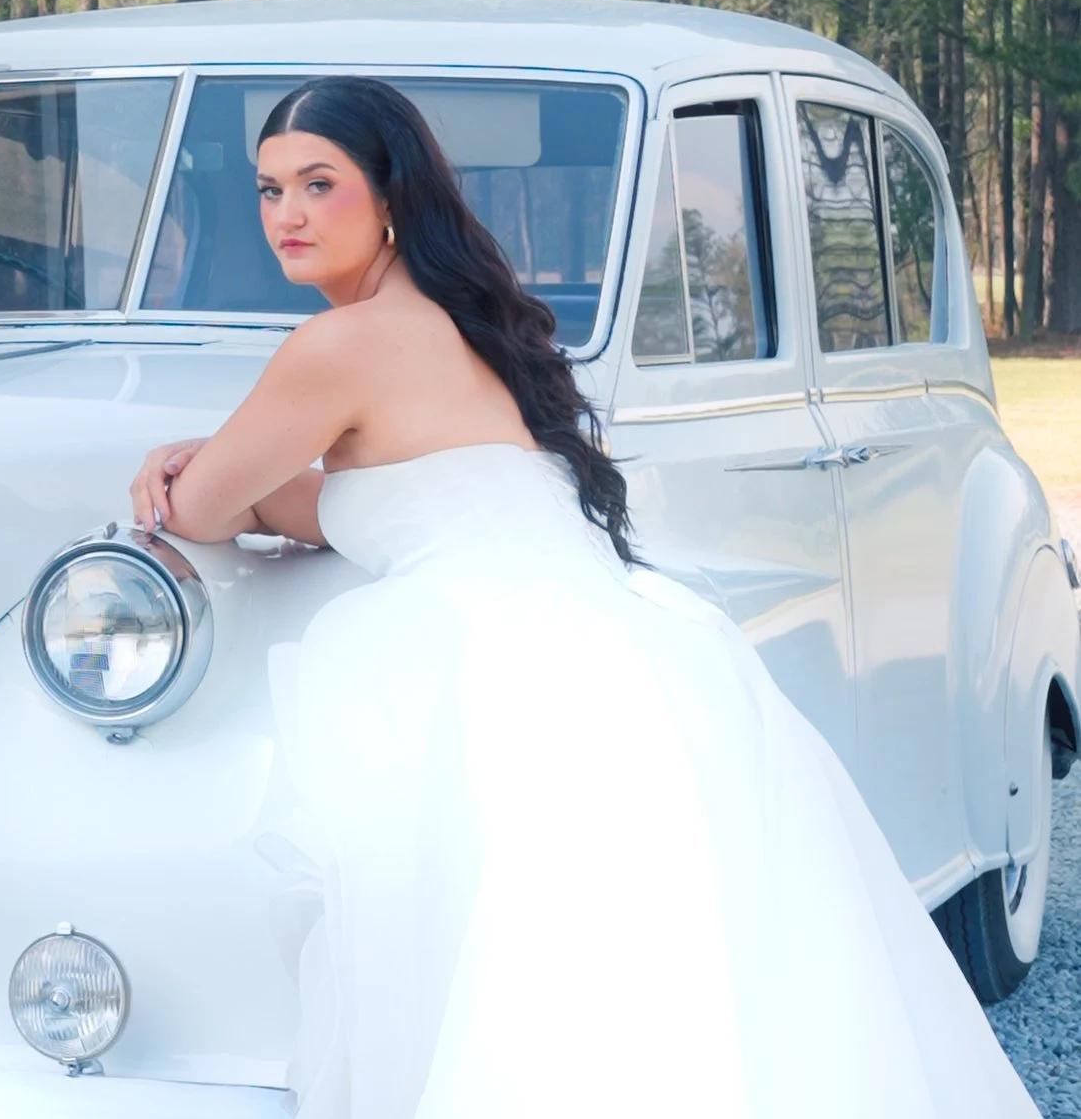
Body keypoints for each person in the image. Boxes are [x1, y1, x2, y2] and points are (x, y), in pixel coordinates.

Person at [127, 76, 1037, 1118]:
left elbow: (198, 510)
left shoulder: (337, 345)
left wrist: (176, 462)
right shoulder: (472, 327)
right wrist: (247, 482)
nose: (285, 213)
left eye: (317, 183)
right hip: (639, 662)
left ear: (389, 197)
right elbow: (357, 504)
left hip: (505, 686)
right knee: (670, 1001)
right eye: (267, 188)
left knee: (524, 1001)